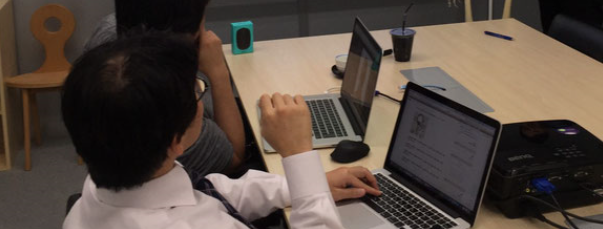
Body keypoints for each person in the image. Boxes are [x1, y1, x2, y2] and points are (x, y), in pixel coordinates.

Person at [62, 33, 380, 229]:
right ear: (175, 141)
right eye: (197, 92)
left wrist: (304, 185)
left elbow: (212, 193)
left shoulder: (103, 184)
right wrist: (298, 154)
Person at [84, 0, 246, 176]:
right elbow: (234, 158)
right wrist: (218, 73)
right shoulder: (170, 96)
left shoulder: (109, 31)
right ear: (189, 34)